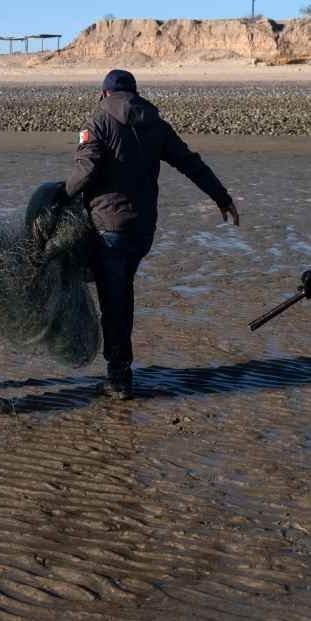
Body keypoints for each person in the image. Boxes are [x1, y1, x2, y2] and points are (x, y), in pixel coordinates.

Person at [63, 69, 240, 399]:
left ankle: (118, 378)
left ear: (104, 94)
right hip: (143, 231)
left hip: (109, 228)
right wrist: (222, 197)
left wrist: (59, 197)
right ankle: (120, 369)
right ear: (134, 92)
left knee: (114, 302)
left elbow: (85, 170)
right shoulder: (154, 122)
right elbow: (189, 162)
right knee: (121, 295)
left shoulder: (98, 121)